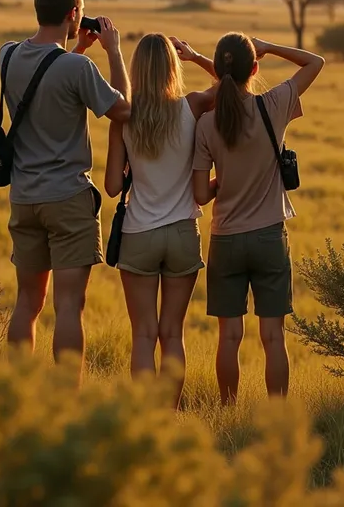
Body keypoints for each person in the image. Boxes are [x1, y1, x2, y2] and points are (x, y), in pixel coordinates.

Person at [0, 0, 131, 380]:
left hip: (24, 197)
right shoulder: (77, 69)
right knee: (69, 305)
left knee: (28, 302)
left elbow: (46, 81)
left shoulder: (7, 54)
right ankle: (64, 399)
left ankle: (16, 393)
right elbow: (123, 109)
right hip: (68, 199)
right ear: (75, 14)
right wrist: (111, 51)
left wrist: (77, 51)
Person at [193, 33, 324, 404]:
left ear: (217, 74)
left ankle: (228, 409)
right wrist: (269, 46)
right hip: (269, 237)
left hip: (226, 240)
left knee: (229, 338)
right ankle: (278, 415)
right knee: (273, 338)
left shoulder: (206, 124)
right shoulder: (274, 105)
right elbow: (316, 63)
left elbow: (201, 194)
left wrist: (226, 180)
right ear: (255, 69)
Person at [105, 34, 217, 407]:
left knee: (143, 336)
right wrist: (198, 57)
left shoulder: (123, 117)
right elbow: (234, 86)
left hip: (139, 233)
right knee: (173, 334)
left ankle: (145, 418)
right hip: (184, 232)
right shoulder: (194, 105)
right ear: (174, 66)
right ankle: (169, 416)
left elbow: (110, 186)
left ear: (136, 70)